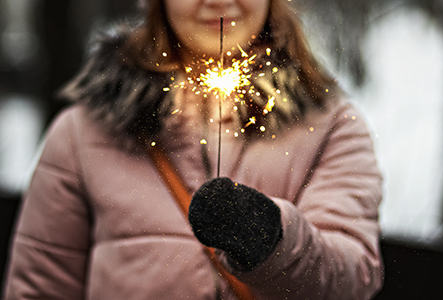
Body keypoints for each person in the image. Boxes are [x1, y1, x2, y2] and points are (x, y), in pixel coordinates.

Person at [3, 0, 383, 299]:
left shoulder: (330, 126)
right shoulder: (82, 132)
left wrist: (272, 240)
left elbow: (350, 280)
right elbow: (39, 289)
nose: (218, 1)